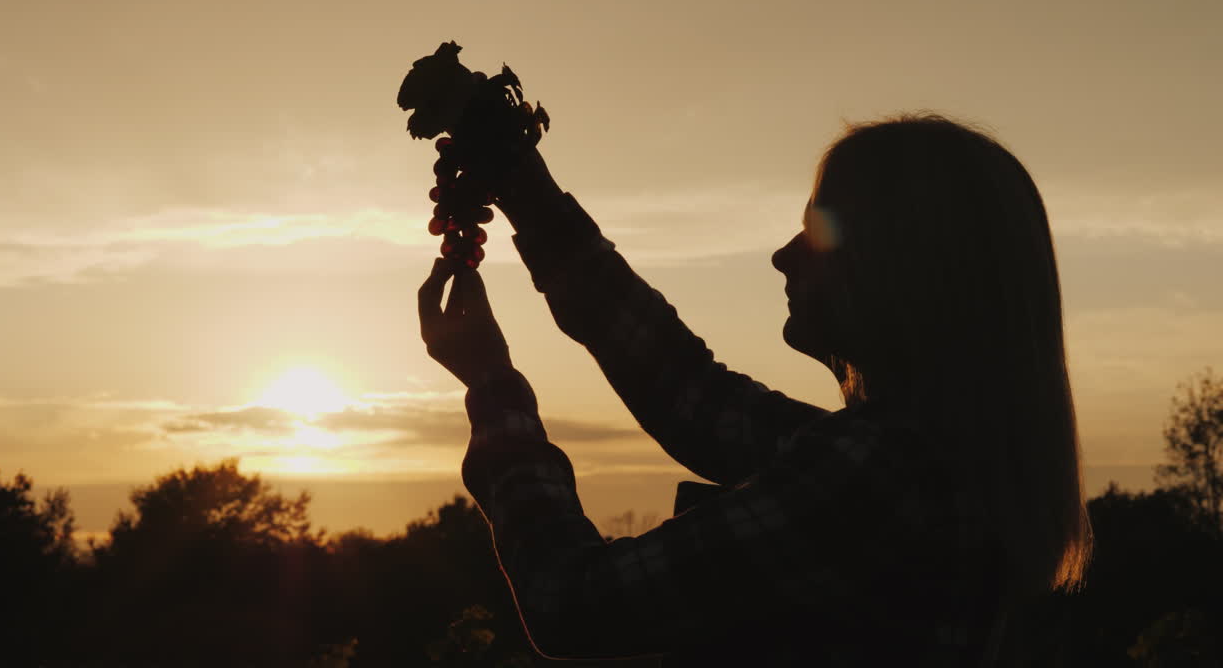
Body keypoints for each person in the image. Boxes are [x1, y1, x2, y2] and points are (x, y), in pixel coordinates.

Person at [418, 114, 1093, 666]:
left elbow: (571, 603)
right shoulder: (926, 456)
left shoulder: (879, 472)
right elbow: (696, 398)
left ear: (903, 268)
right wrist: (531, 199)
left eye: (820, 231)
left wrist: (493, 387)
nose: (782, 256)